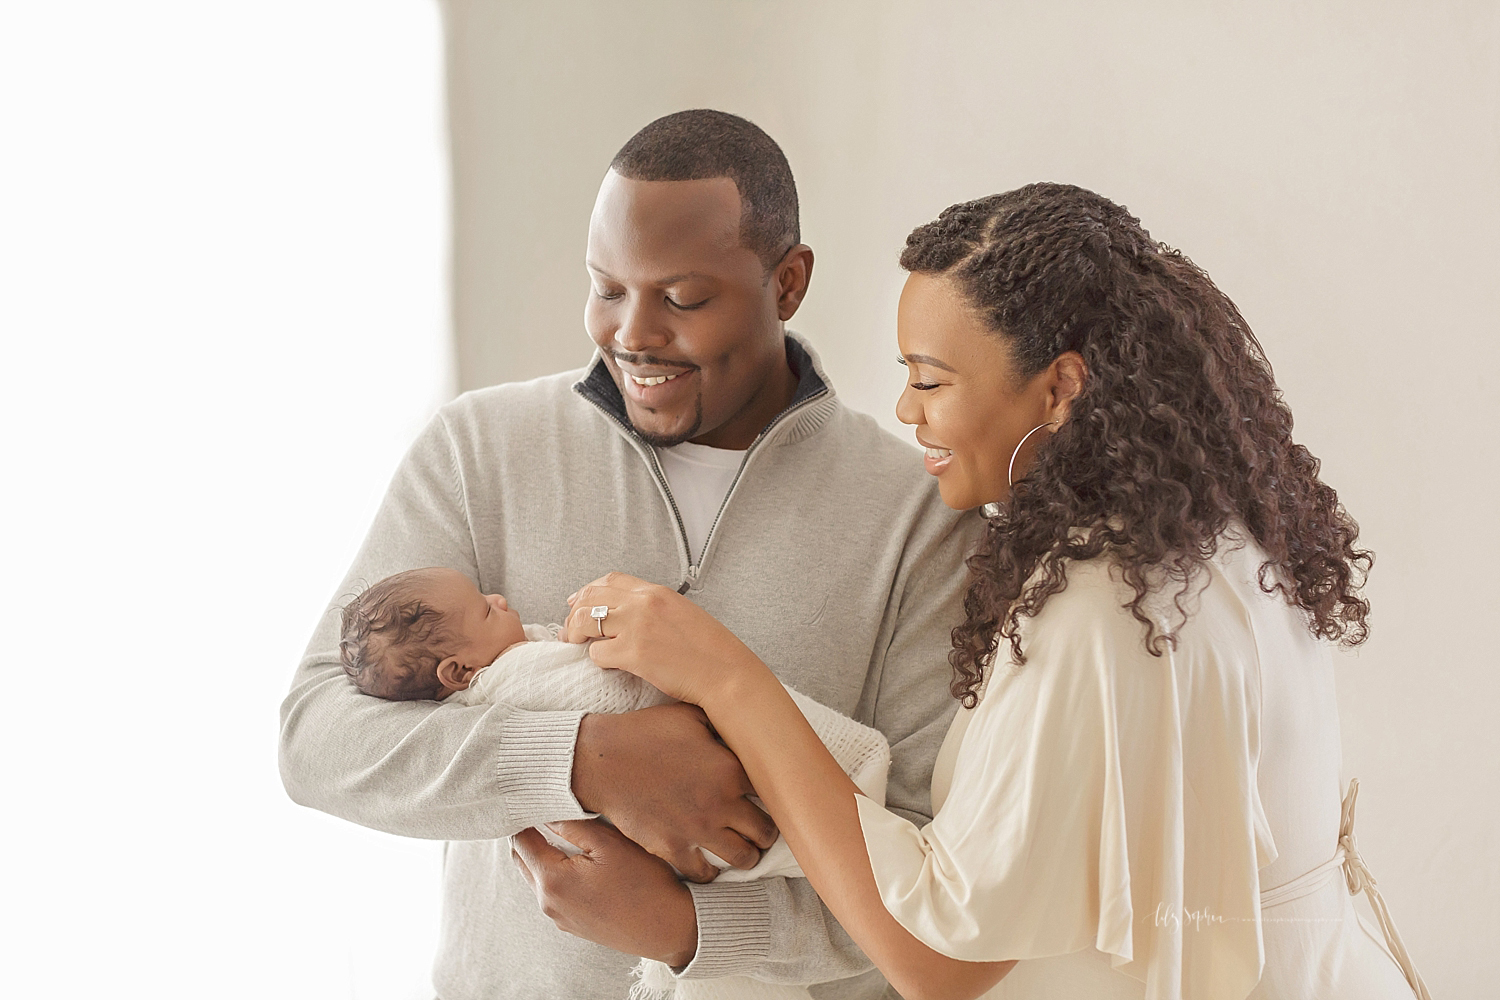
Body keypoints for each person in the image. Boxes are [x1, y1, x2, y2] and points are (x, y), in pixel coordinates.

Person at [536, 184, 1431, 1000]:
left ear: (1061, 387)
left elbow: (941, 958)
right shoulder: (1210, 548)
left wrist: (726, 677)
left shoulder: (1103, 611)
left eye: (930, 379)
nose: (905, 410)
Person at [278, 109, 979, 1000]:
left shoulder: (919, 513)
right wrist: (585, 760)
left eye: (682, 299)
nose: (632, 334)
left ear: (788, 282)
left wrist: (692, 931)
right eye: (606, 289)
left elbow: (932, 874)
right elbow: (319, 739)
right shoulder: (478, 451)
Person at [337, 565, 893, 1000]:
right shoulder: (514, 675)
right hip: (521, 964)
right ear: (458, 674)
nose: (502, 600)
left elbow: (898, 919)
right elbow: (609, 692)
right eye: (486, 609)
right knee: (810, 832)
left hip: (854, 931)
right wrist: (592, 755)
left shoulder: (500, 671)